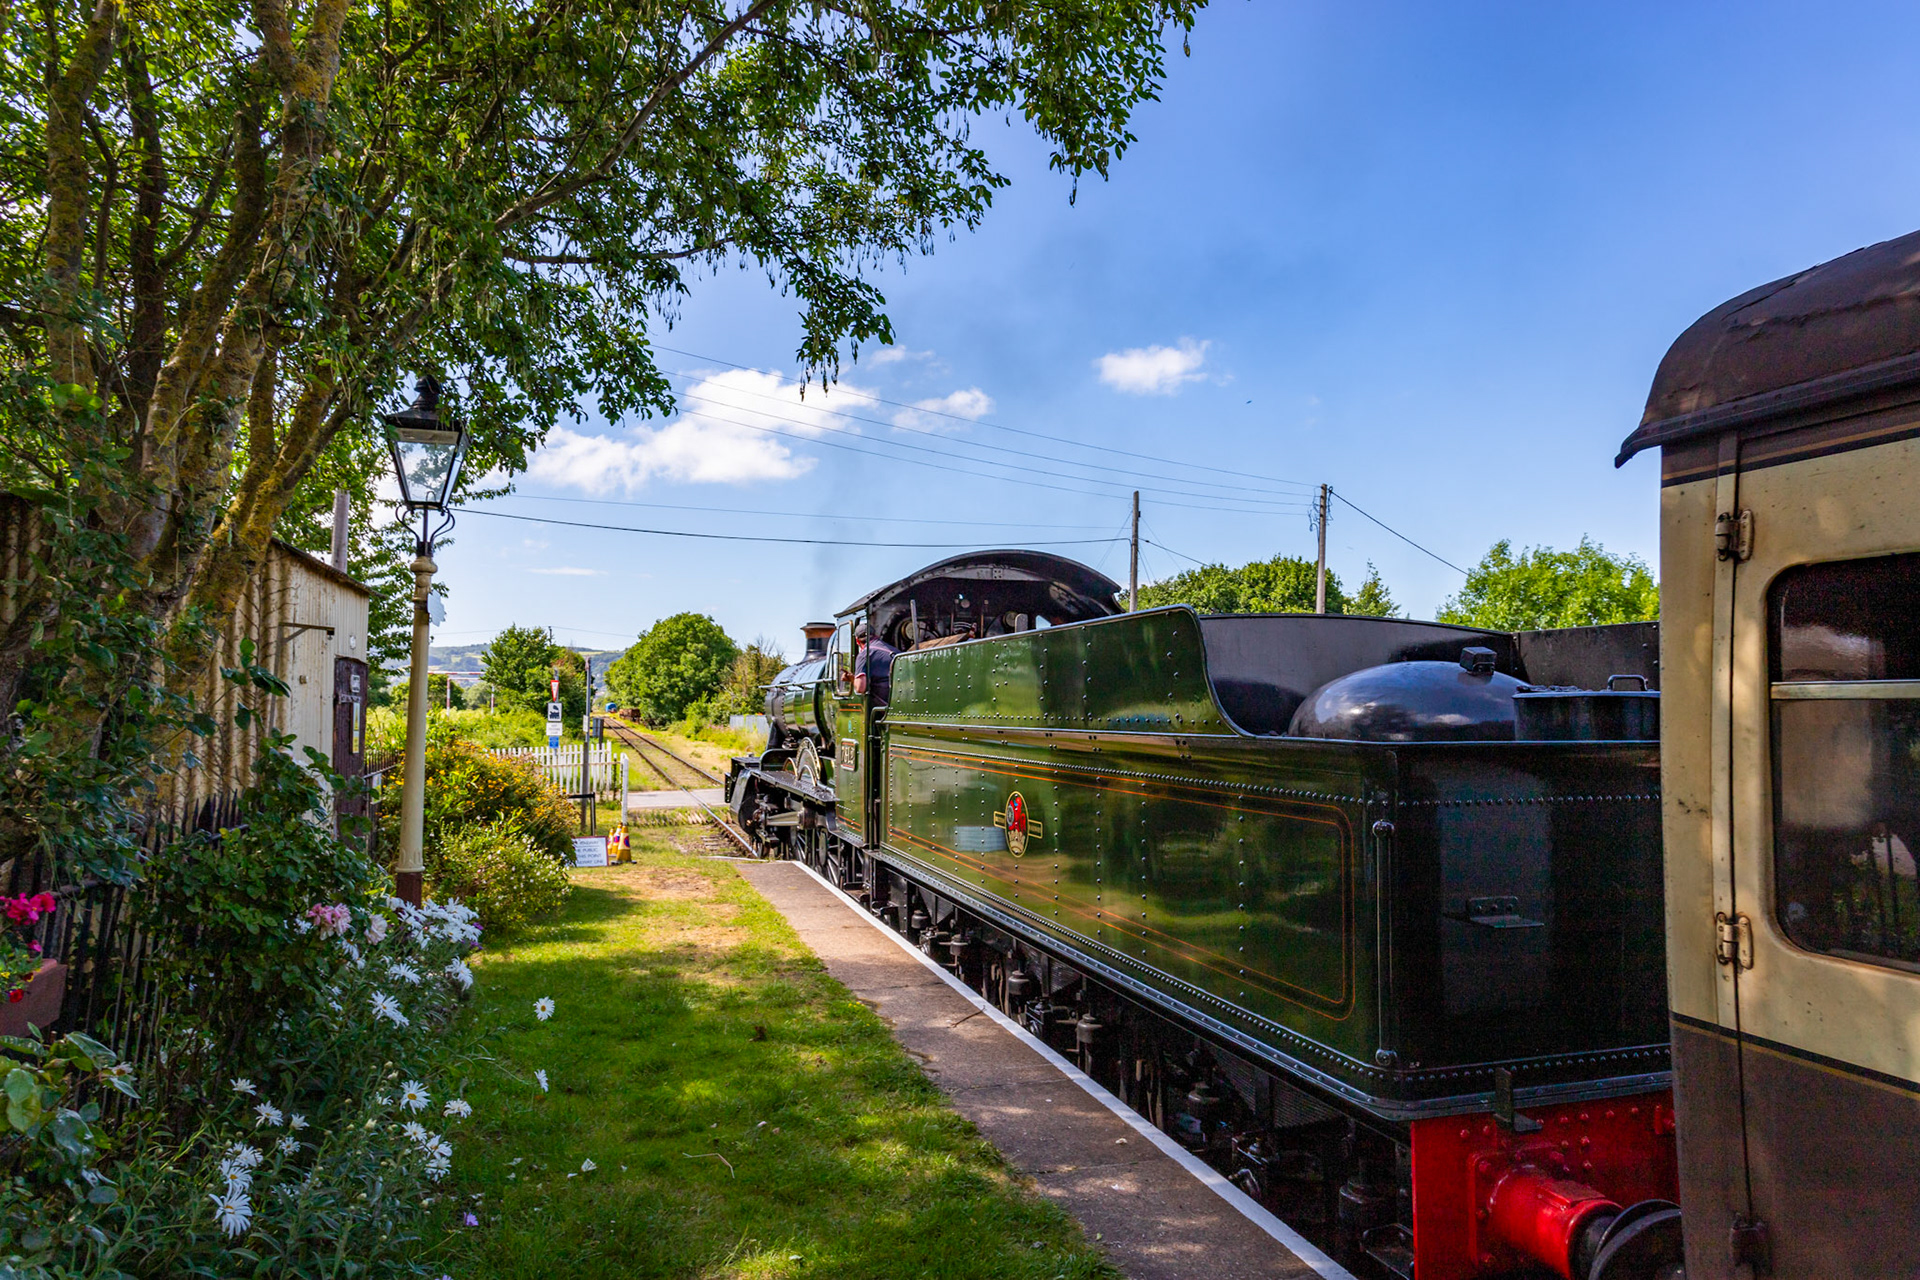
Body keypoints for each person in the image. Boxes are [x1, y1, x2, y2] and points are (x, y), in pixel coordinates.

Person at [852, 619, 898, 704]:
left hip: (885, 704)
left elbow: (860, 688)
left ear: (857, 641)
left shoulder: (863, 655)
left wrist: (851, 679)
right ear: (875, 636)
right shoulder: (896, 651)